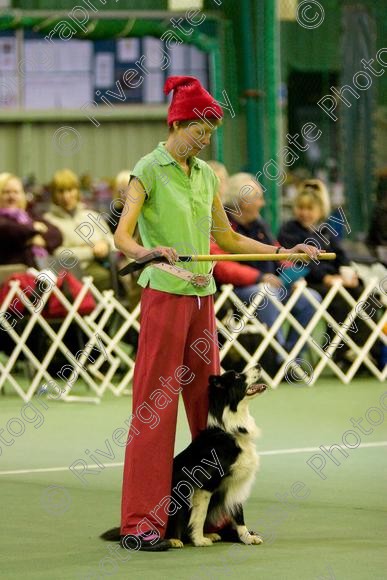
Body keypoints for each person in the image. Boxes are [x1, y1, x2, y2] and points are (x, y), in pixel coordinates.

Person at [114, 75, 320, 552]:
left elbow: (225, 239)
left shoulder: (205, 175)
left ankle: (217, 515)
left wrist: (282, 252)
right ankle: (141, 523)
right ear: (178, 121)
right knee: (154, 411)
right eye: (200, 130)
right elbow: (123, 236)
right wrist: (150, 252)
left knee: (210, 412)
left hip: (202, 299)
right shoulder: (147, 169)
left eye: (210, 132)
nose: (205, 139)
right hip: (164, 296)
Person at [211, 173, 321, 362]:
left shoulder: (260, 224)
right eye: (259, 198)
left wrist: (292, 275)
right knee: (267, 293)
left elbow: (277, 252)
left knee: (311, 297)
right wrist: (259, 277)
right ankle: (276, 356)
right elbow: (220, 265)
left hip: (274, 285)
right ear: (244, 202)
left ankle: (292, 355)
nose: (262, 203)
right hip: (240, 290)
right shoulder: (221, 224)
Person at [278, 180, 373, 367]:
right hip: (306, 281)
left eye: (309, 208)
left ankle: (366, 350)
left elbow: (341, 254)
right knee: (338, 300)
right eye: (300, 208)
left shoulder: (326, 229)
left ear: (320, 210)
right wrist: (326, 278)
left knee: (362, 293)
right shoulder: (288, 230)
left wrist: (348, 273)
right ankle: (340, 352)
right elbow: (300, 260)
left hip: (333, 280)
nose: (304, 212)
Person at [44, 169, 114, 291]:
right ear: (54, 195)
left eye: (70, 190)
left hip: (103, 264)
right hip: (70, 272)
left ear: (77, 191)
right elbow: (55, 254)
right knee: (106, 277)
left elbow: (113, 243)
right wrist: (90, 251)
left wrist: (105, 245)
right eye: (61, 191)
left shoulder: (92, 216)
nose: (66, 196)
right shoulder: (48, 221)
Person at [0, 172, 62, 268]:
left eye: (16, 192)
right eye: (6, 192)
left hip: (39, 269)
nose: (11, 196)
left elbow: (56, 234)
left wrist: (43, 241)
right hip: (11, 273)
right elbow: (10, 230)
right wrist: (33, 228)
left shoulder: (29, 214)